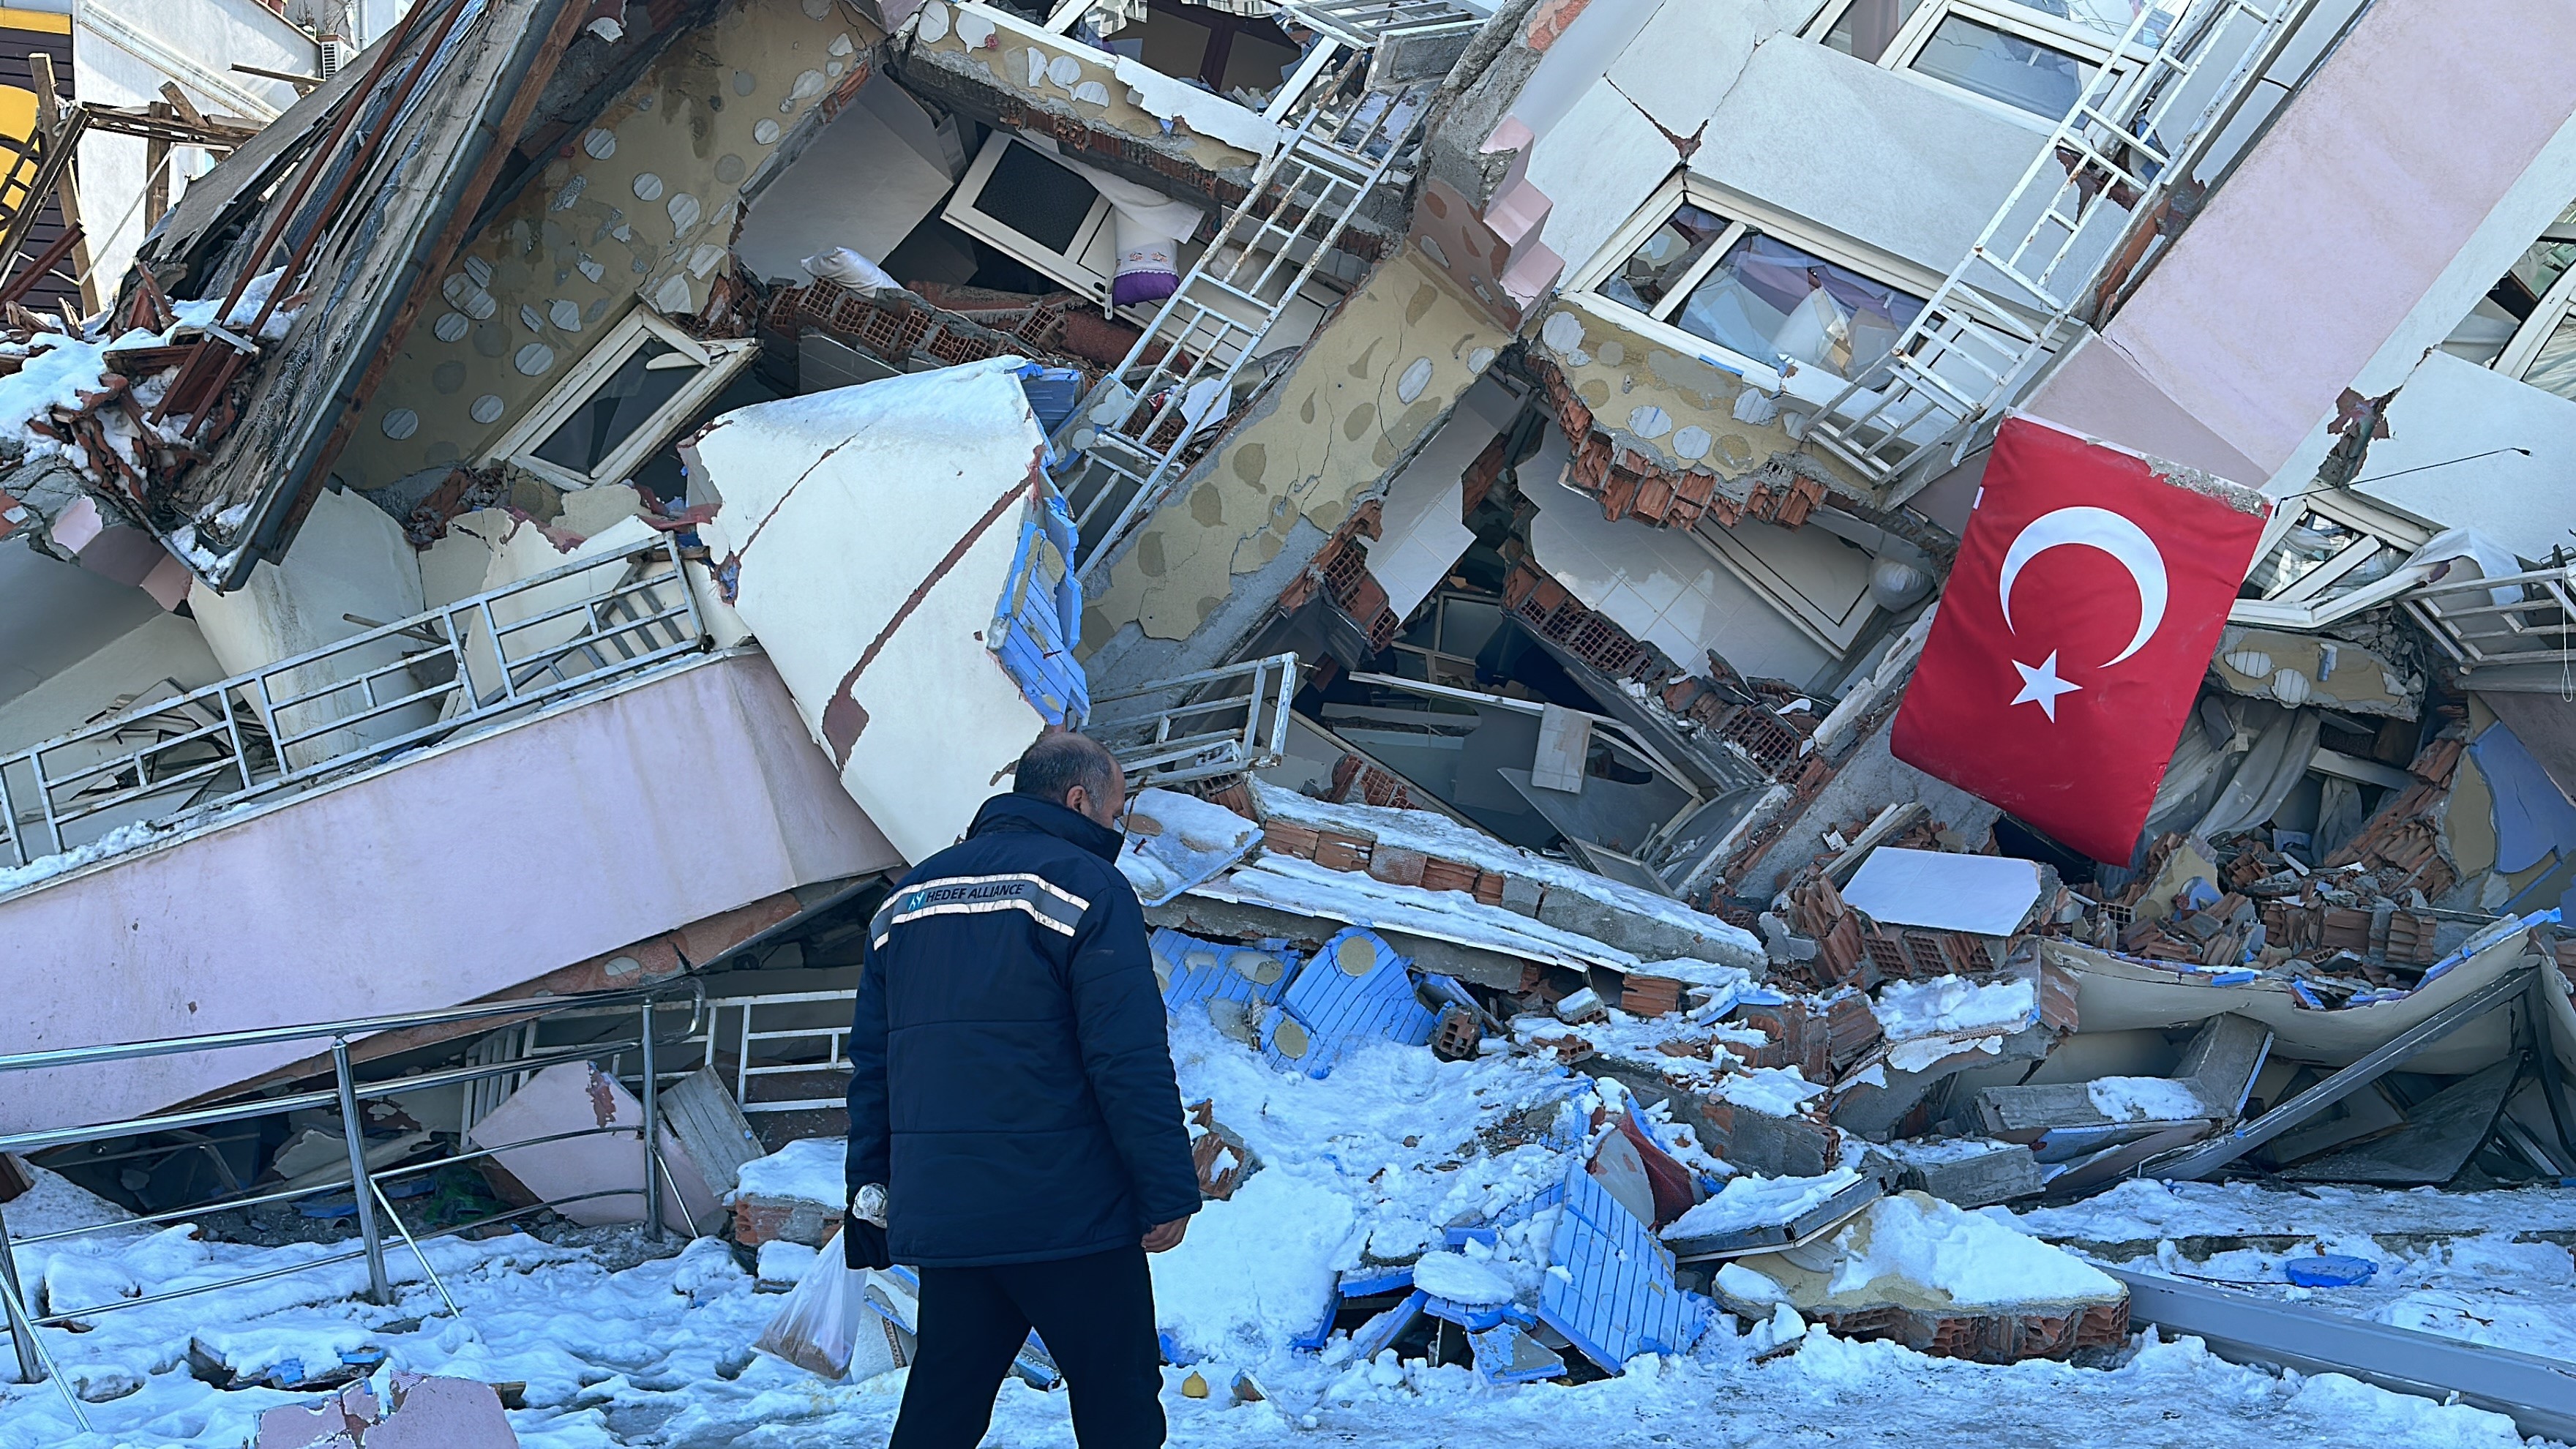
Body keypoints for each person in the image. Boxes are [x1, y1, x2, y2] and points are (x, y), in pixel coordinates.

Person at [844, 731, 1200, 1449]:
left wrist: (870, 1201)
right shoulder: (1088, 887)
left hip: (951, 1215)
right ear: (1078, 799)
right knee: (1118, 1405)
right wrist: (1165, 1191)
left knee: (942, 1406)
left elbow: (875, 1068)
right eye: (1117, 808)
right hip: (1067, 1217)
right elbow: (1126, 1058)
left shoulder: (908, 901)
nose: (1116, 827)